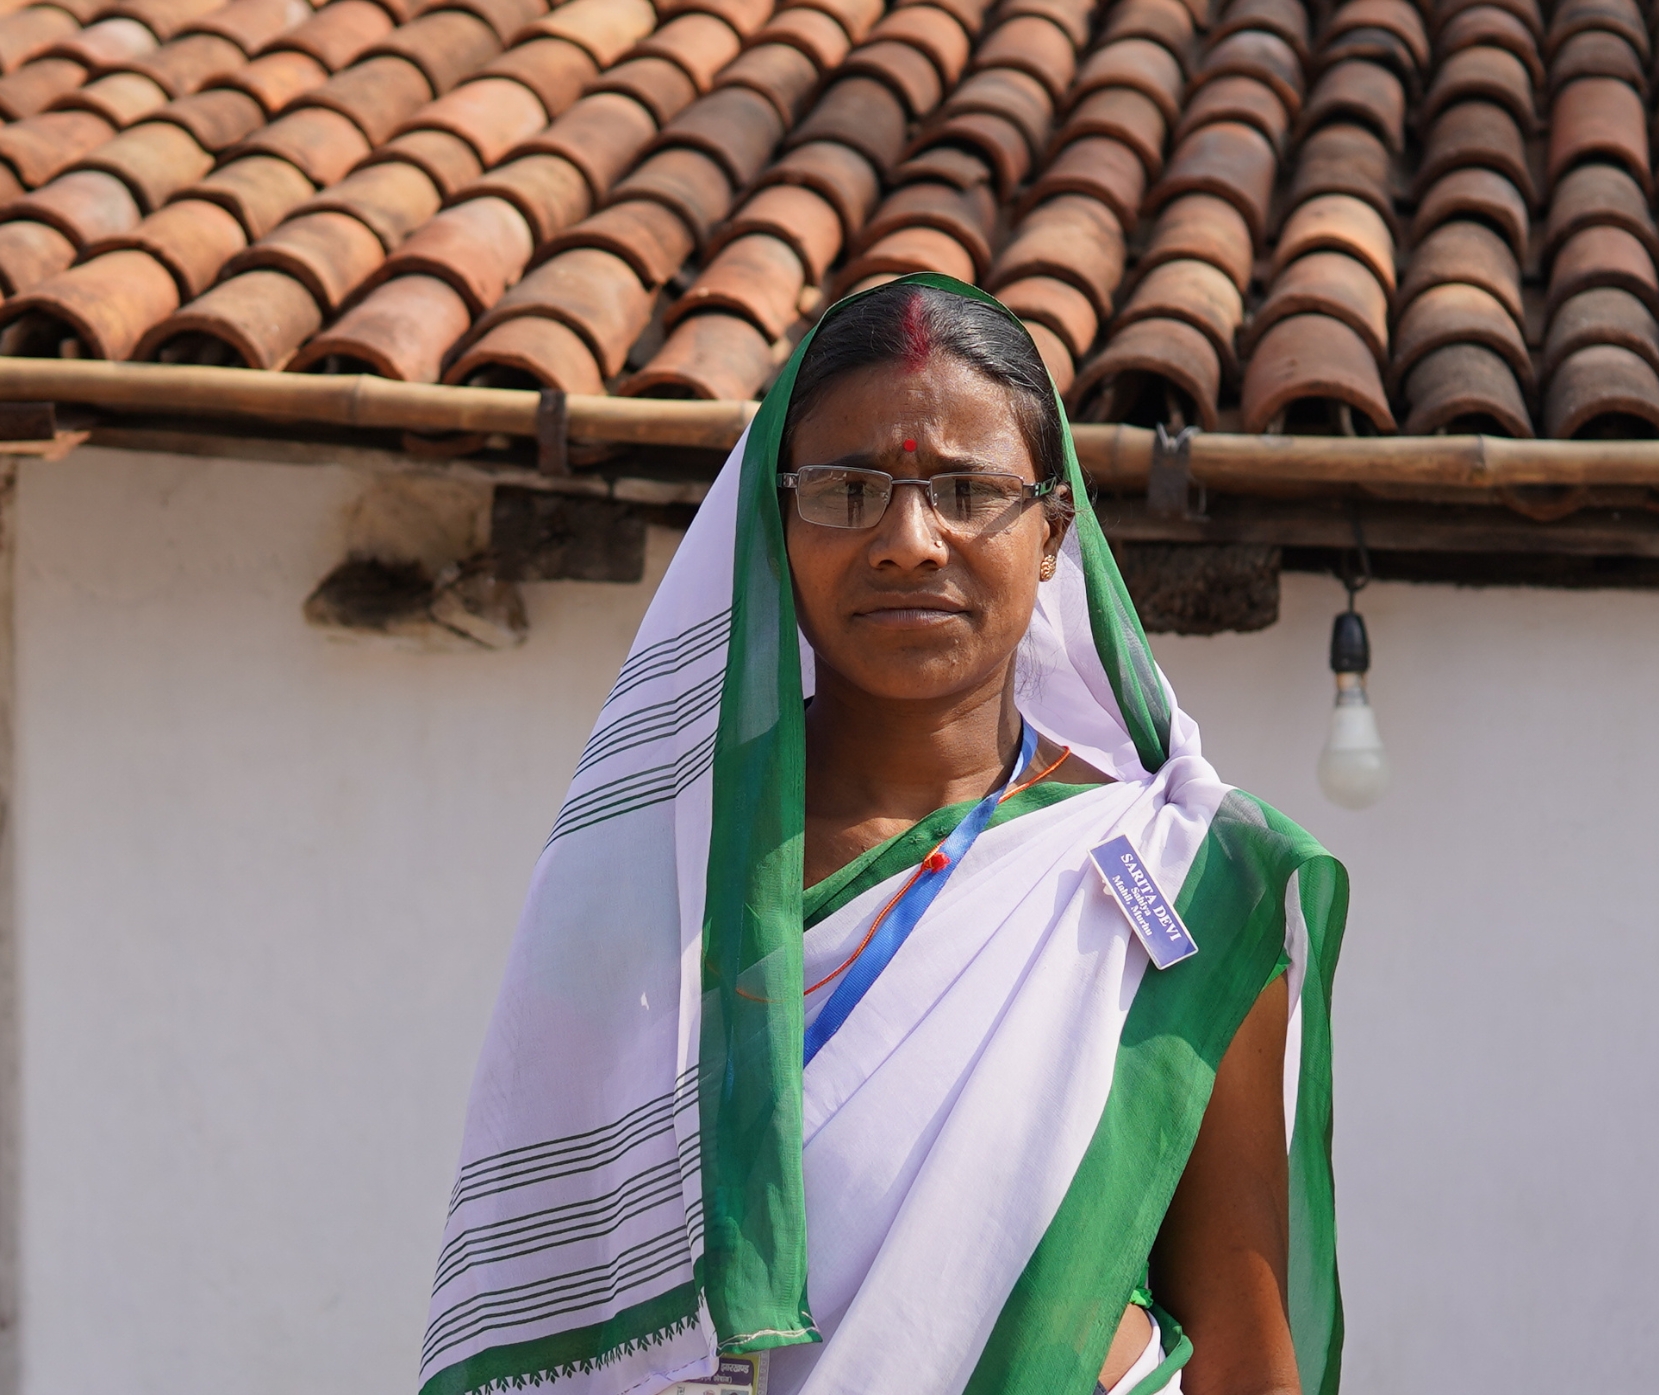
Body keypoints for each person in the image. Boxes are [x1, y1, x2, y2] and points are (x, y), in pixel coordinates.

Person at [417, 276, 1347, 1395]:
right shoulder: (657, 876)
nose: (910, 541)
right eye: (849, 490)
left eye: (966, 489)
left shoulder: (1184, 883)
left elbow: (1242, 1351)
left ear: (1053, 530)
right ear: (777, 526)